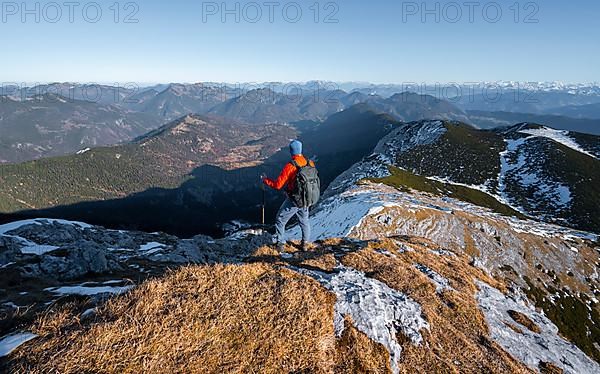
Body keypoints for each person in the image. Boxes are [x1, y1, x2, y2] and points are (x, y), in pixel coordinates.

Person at [262, 140, 314, 250]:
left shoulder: (291, 166)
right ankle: (305, 244)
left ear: (291, 151)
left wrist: (265, 180)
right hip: (307, 198)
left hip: (295, 199)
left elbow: (278, 185)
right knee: (304, 221)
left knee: (280, 219)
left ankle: (280, 244)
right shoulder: (310, 162)